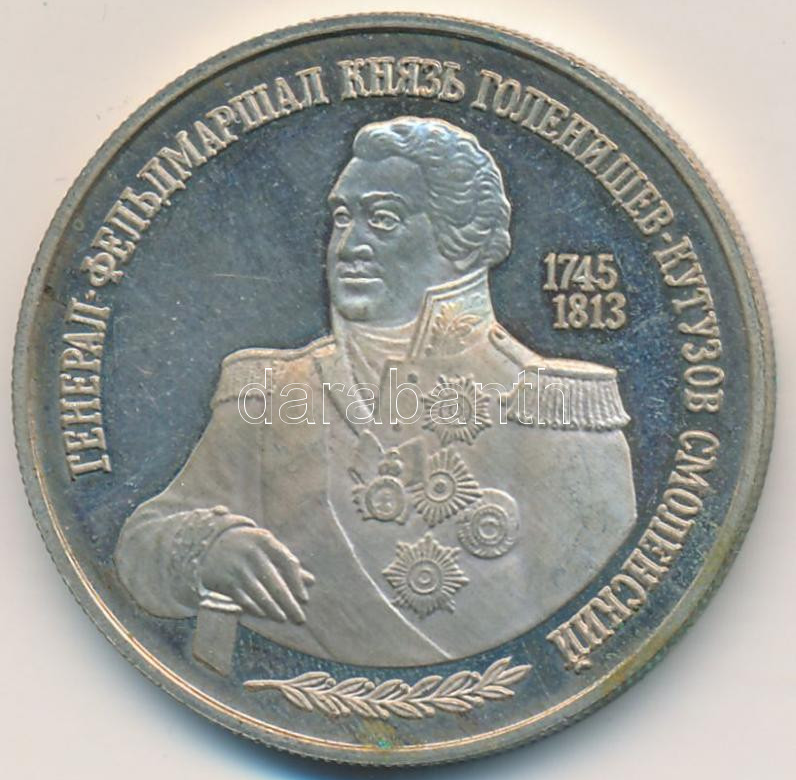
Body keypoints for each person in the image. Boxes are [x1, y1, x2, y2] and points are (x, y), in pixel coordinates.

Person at [115, 116, 636, 669]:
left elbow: (599, 609)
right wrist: (205, 551)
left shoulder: (553, 409)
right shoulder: (272, 392)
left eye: (383, 219)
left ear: (463, 236)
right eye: (343, 218)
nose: (349, 246)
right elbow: (141, 545)